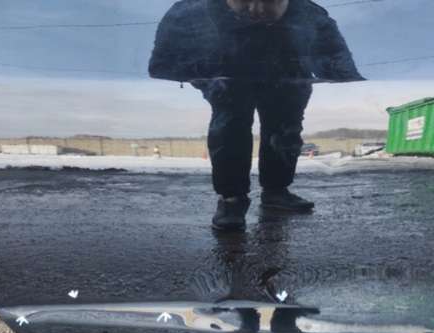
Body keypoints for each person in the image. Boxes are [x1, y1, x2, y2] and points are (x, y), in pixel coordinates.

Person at [149, 0, 364, 231]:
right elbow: (163, 63)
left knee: (285, 130)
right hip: (229, 80)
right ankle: (231, 199)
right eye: (244, 0)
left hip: (286, 80)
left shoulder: (310, 14)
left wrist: (334, 75)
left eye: (269, 1)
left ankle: (276, 190)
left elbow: (339, 63)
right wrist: (209, 80)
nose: (256, 10)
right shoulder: (189, 12)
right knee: (230, 130)